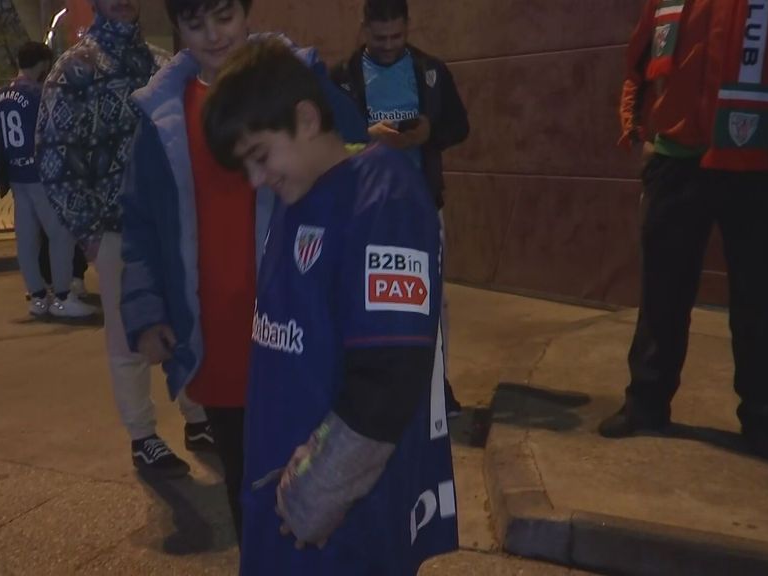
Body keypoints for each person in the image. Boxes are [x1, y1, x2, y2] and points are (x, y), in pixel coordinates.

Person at [203, 40, 458, 574]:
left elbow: (387, 380)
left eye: (259, 156)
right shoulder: (298, 198)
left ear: (306, 117)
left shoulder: (382, 195)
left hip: (338, 528)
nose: (255, 180)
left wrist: (316, 493)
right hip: (286, 516)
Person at [119, 0, 368, 541]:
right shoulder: (162, 111)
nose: (213, 35)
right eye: (194, 23)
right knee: (246, 486)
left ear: (247, 12)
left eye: (224, 16)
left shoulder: (296, 81)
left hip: (300, 334)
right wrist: (145, 309)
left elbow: (357, 165)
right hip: (218, 338)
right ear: (177, 28)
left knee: (316, 481)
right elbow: (138, 225)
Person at [602, 0, 768, 461]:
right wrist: (638, 130)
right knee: (662, 292)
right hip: (676, 163)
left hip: (758, 164)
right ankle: (646, 403)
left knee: (757, 299)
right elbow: (639, 64)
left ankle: (762, 417)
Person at [37, 0, 214, 479]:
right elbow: (53, 158)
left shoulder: (161, 63)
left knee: (187, 314)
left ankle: (198, 416)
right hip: (113, 227)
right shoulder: (73, 69)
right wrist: (90, 234)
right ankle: (143, 435)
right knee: (128, 333)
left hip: (172, 221)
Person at [331, 0, 469, 417]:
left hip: (421, 206)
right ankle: (362, 386)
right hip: (363, 210)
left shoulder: (431, 71)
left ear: (408, 26)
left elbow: (460, 126)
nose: (389, 45)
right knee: (360, 299)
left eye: (397, 36)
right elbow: (325, 141)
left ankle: (434, 386)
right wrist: (365, 134)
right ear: (364, 27)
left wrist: (429, 133)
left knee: (431, 301)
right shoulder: (341, 78)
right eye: (379, 37)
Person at [0, 41, 95, 318]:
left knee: (26, 239)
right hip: (41, 175)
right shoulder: (39, 93)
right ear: (43, 64)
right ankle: (62, 296)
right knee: (60, 234)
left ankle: (37, 296)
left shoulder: (1, 95)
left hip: (16, 176)